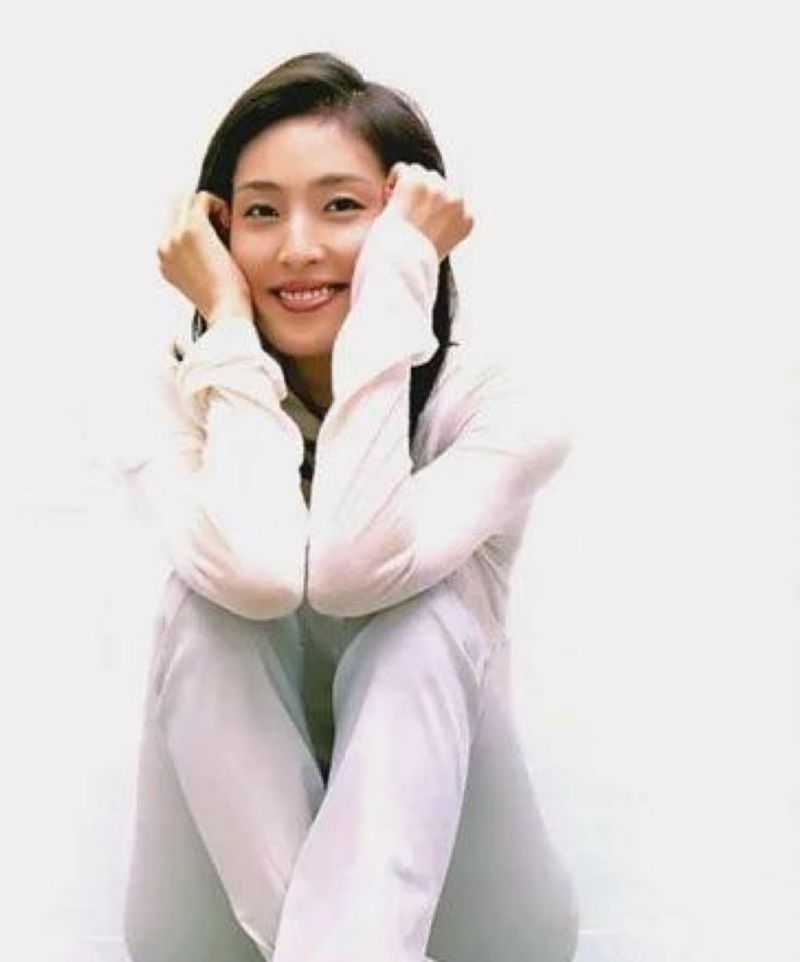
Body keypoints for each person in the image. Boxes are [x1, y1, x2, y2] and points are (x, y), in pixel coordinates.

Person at [121, 51, 578, 962]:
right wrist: (229, 331)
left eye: (341, 207)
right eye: (261, 213)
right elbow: (257, 574)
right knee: (207, 612)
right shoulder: (167, 397)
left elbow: (352, 572)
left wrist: (400, 277)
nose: (298, 247)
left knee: (421, 619)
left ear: (410, 223)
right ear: (216, 236)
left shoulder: (499, 405)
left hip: (467, 911)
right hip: (216, 915)